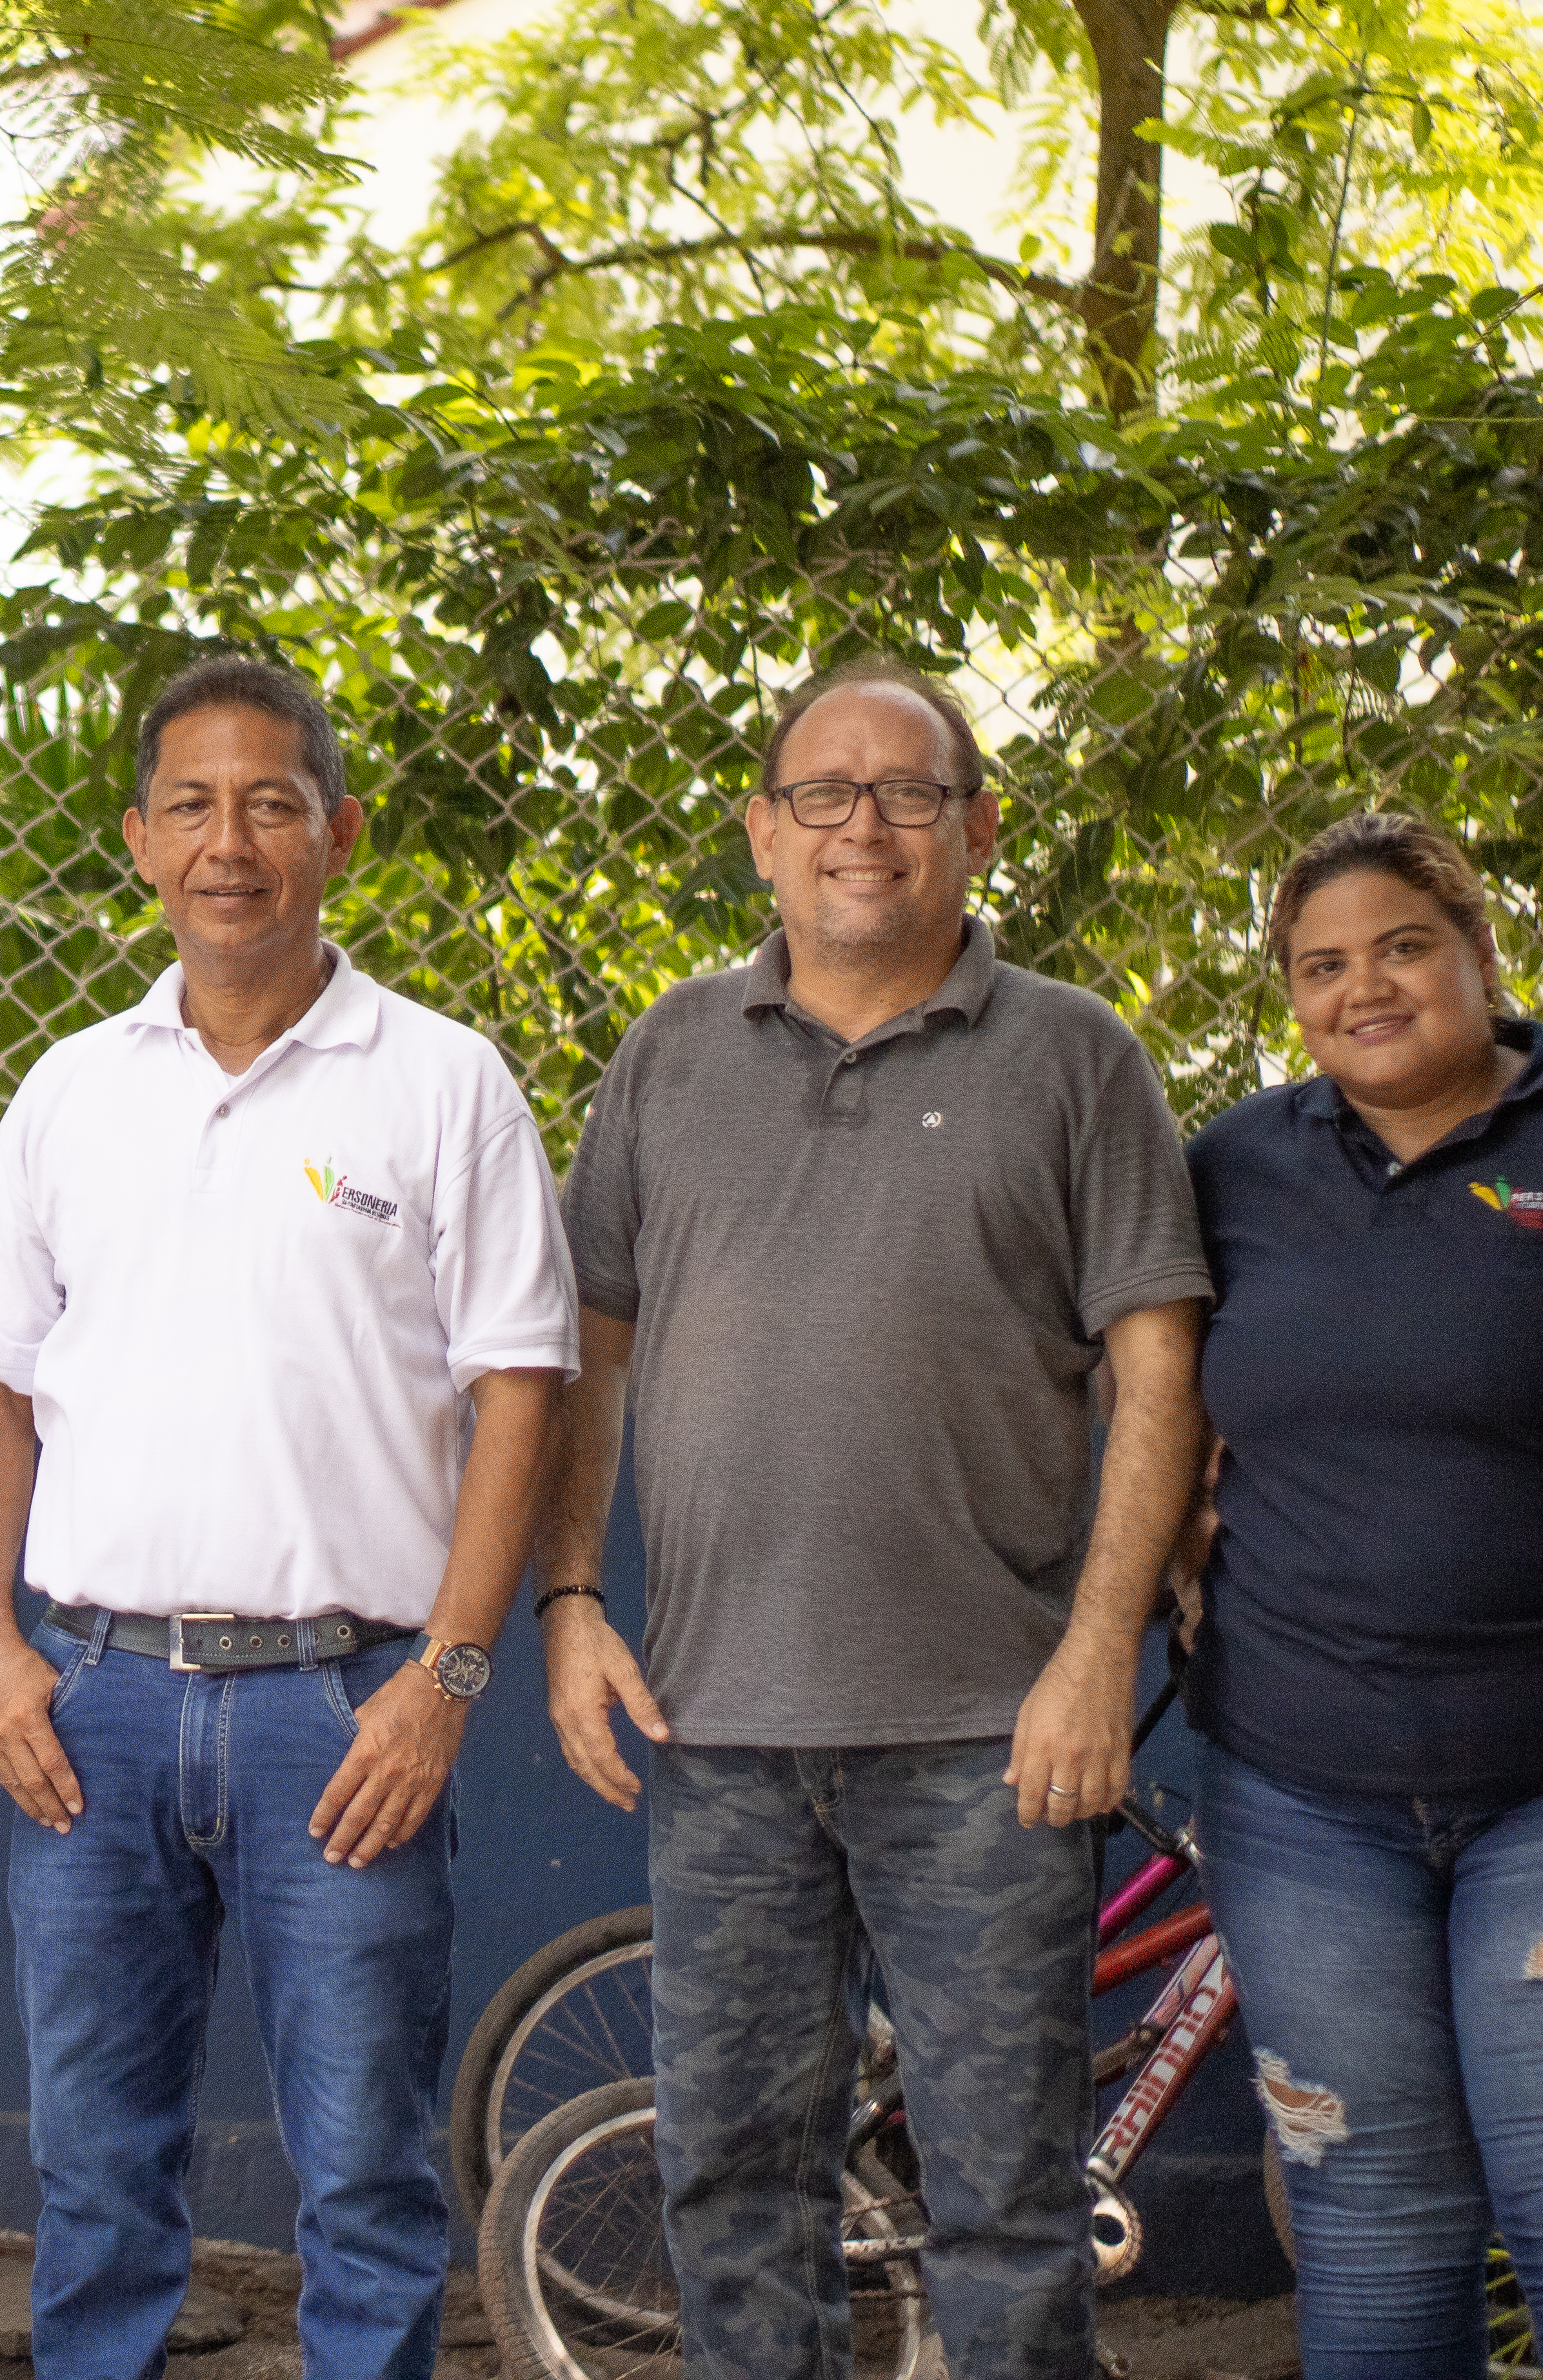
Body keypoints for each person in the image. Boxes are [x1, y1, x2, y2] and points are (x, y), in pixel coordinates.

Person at [538, 659, 1210, 2380]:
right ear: (765, 835)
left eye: (907, 791)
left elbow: (1158, 1375)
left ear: (976, 828)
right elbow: (589, 1357)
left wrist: (1088, 1662)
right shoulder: (671, 1052)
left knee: (1004, 2209)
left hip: (986, 1744)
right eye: (822, 793)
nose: (863, 825)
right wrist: (568, 1602)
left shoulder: (1077, 1058)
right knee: (735, 2196)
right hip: (719, 1734)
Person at [0, 652, 575, 2380]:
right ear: (141, 840)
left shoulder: (442, 1085)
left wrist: (446, 1676)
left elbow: (524, 1383)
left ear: (340, 834)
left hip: (343, 1713)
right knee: (97, 2175)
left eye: (273, 804)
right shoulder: (72, 1090)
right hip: (94, 1705)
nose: (234, 842)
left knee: (366, 2175)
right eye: (196, 806)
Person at [1180, 811, 1540, 2380]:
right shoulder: (1238, 1165)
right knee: (1375, 2220)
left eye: (1402, 945)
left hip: (1536, 1783)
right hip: (1301, 1791)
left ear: (1481, 951)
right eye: (1321, 966)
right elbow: (1153, 1399)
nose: (1365, 988)